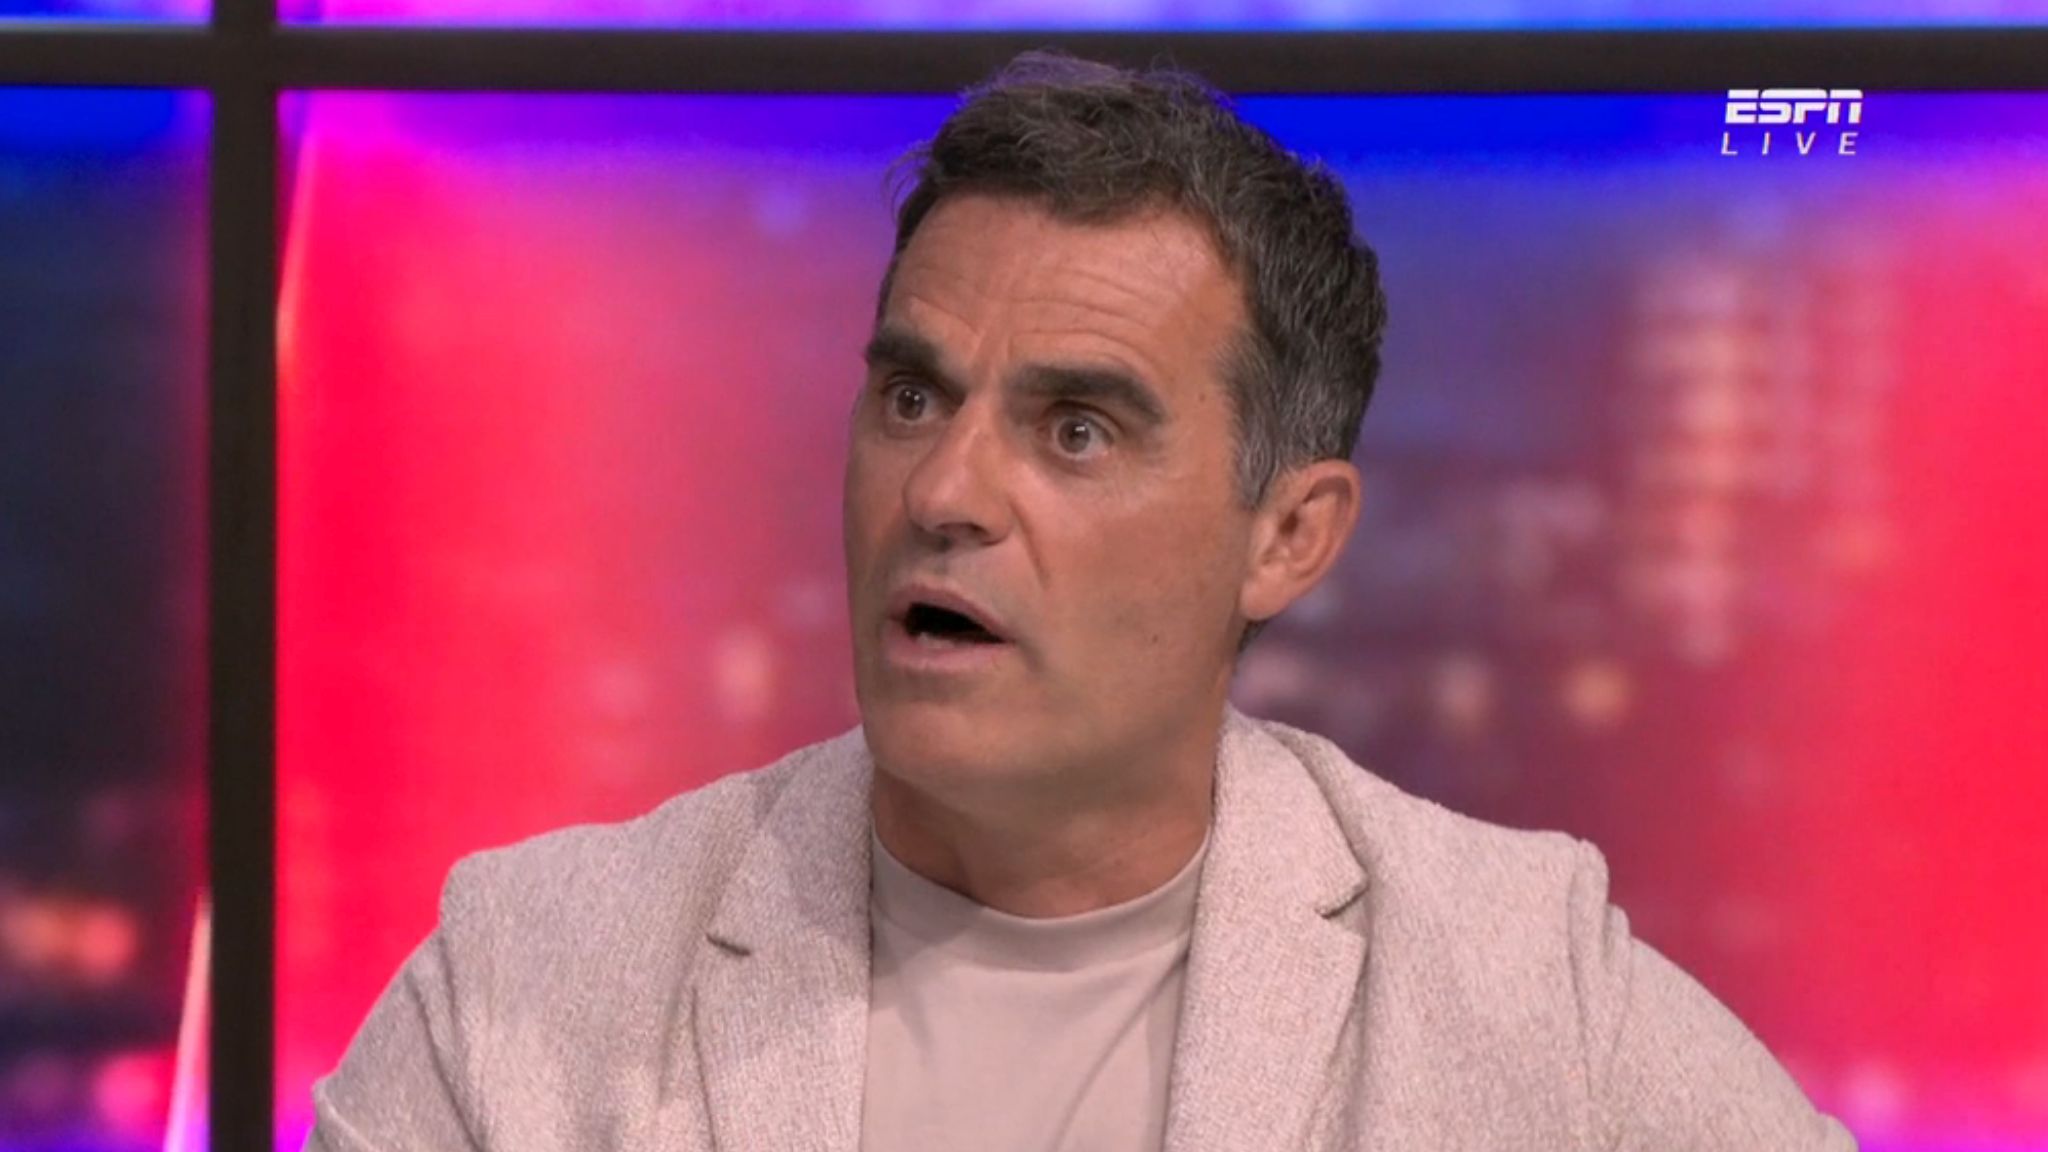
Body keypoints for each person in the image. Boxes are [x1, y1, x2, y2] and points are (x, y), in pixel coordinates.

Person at [306, 51, 1857, 1152]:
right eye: (912, 397)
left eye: (1077, 432)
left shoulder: (1521, 993)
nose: (945, 490)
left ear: (1288, 536)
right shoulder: (529, 984)